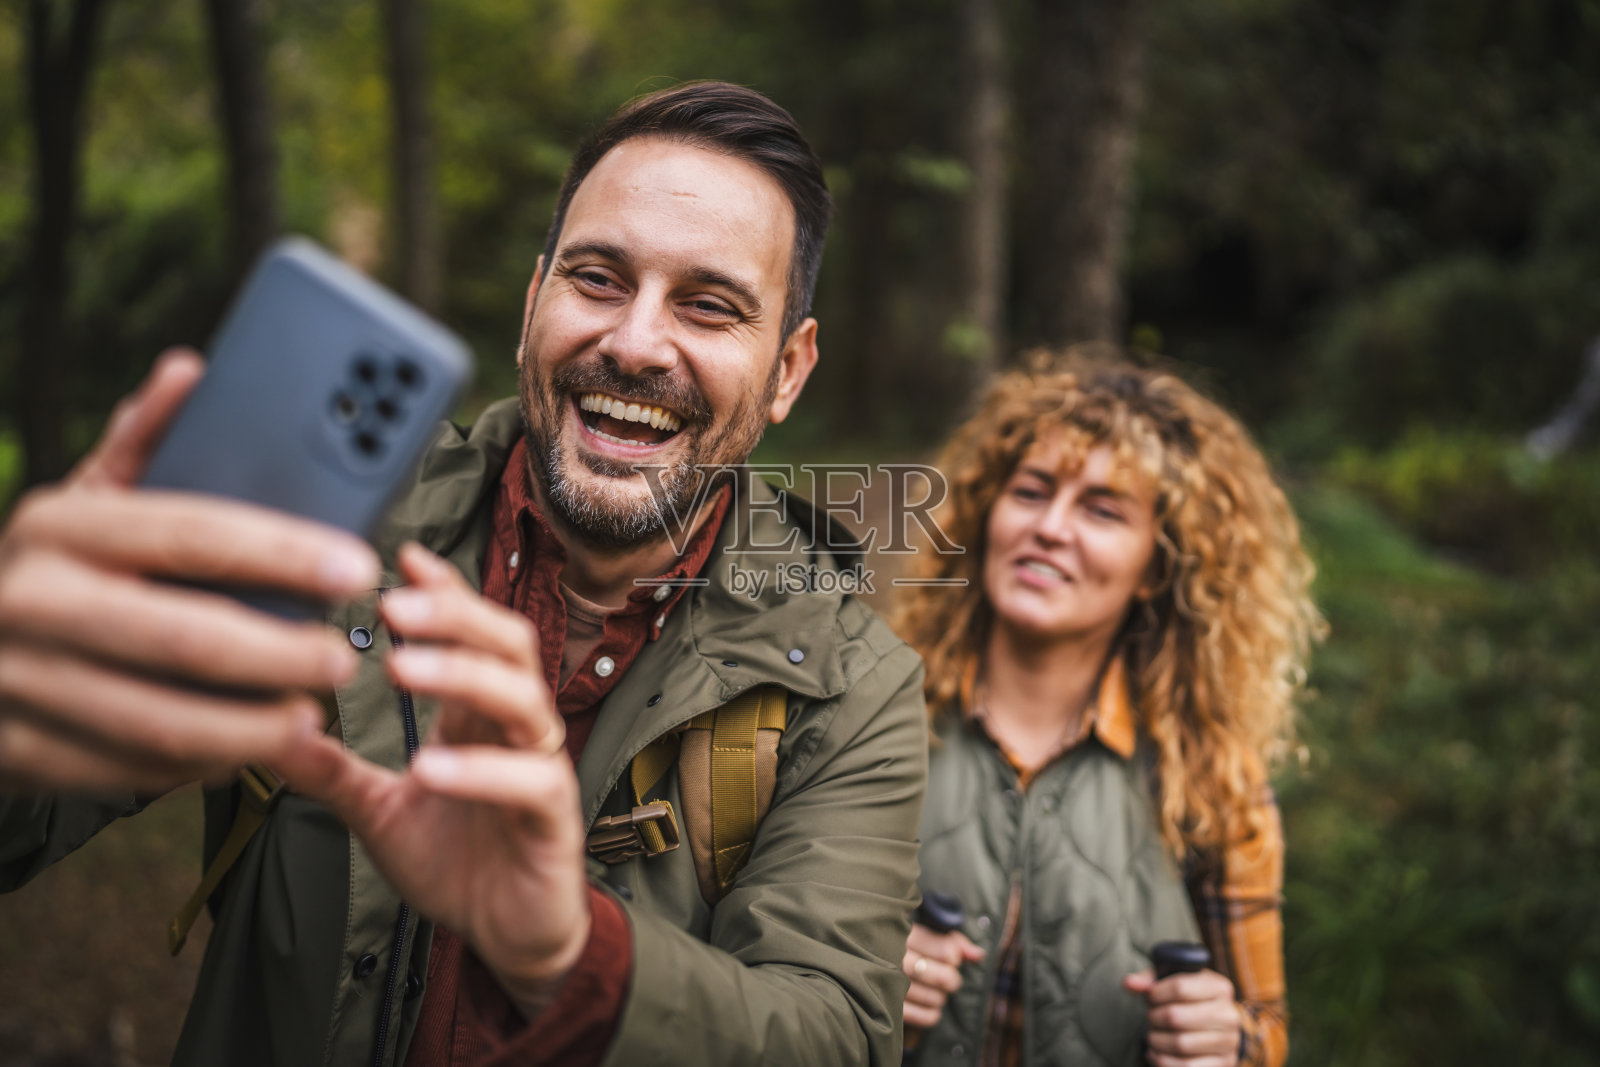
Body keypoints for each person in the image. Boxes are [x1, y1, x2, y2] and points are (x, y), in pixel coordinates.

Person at [0, 82, 928, 1066]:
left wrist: (566, 951)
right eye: (599, 279)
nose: (634, 342)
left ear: (787, 369)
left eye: (708, 306)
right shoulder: (321, 535)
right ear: (535, 304)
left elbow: (835, 1037)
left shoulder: (852, 686)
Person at [891, 353, 1324, 1067]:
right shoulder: (874, 717)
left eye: (1101, 509)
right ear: (986, 511)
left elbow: (1265, 1026)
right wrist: (851, 978)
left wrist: (1229, 1042)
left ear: (1158, 565)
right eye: (1031, 491)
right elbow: (761, 964)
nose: (1051, 527)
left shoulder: (1214, 782)